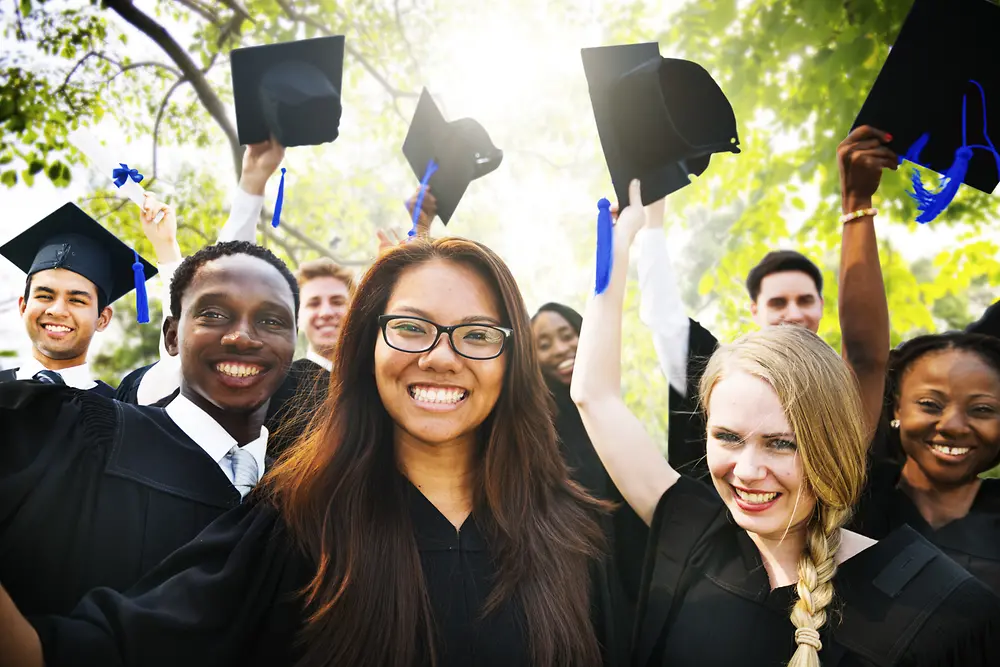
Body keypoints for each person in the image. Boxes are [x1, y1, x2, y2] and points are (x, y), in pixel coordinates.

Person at [0, 237, 618, 667]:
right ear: (365, 349)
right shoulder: (298, 522)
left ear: (512, 362)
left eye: (478, 334)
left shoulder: (574, 533)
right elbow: (94, 648)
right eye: (409, 327)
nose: (440, 356)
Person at [570, 180, 1000, 667]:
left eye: (781, 444)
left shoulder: (938, 613)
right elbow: (593, 396)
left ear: (832, 445)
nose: (747, 471)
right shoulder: (695, 532)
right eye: (727, 437)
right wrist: (621, 243)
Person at [0, 240, 298, 618]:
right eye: (213, 314)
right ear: (171, 337)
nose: (242, 336)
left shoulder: (301, 498)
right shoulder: (92, 437)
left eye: (271, 320)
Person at [640, 125, 892, 478]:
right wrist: (650, 223)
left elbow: (865, 358)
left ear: (821, 306)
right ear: (755, 310)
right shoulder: (717, 373)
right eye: (778, 303)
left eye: (804, 300)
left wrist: (857, 204)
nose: (793, 314)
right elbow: (664, 317)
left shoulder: (837, 393)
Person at [851, 331, 1000, 594]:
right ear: (897, 408)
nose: (953, 426)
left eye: (982, 409)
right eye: (930, 404)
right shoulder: (856, 502)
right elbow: (865, 359)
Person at [0, 203, 158, 396]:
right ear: (23, 307)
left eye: (76, 300)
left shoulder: (119, 408)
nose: (57, 310)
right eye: (45, 296)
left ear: (103, 319)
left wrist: (167, 249)